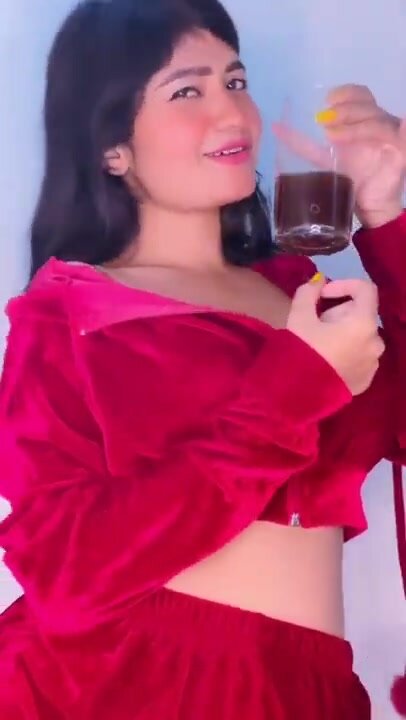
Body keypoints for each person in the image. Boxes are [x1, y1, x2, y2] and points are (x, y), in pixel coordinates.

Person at [0, 0, 405, 718]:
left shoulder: (302, 294)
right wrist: (297, 388)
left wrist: (385, 216)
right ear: (111, 148)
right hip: (140, 682)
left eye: (236, 81)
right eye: (188, 89)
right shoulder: (73, 316)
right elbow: (66, 569)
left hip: (310, 690)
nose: (233, 112)